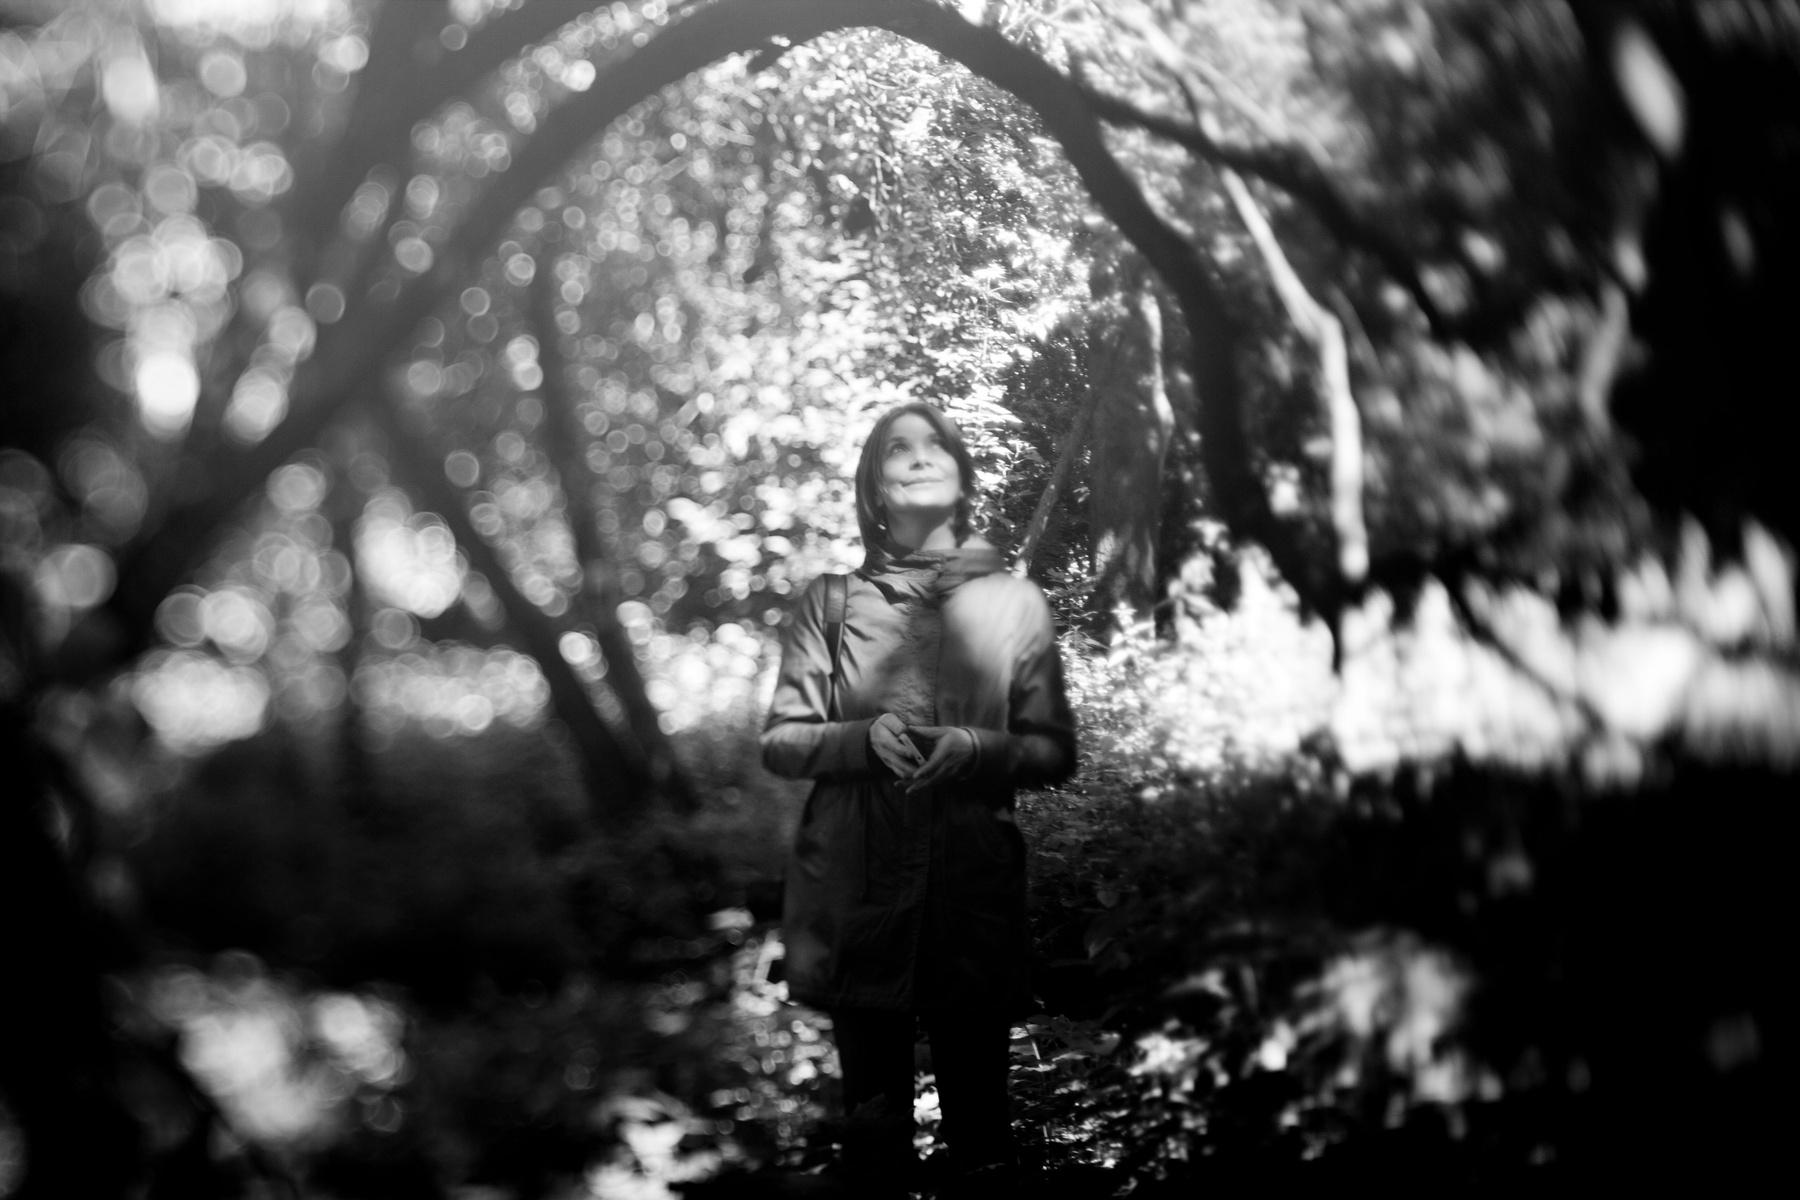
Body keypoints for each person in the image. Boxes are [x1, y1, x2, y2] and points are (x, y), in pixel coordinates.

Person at [761, 401, 1077, 1192]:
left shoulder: (1015, 604)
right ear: (874, 489)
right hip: (857, 894)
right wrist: (857, 739)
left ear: (962, 478)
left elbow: (1054, 751)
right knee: (875, 1148)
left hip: (971, 894)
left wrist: (977, 748)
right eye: (897, 448)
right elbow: (782, 740)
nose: (919, 454)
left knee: (983, 1145)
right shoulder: (829, 602)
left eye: (937, 444)